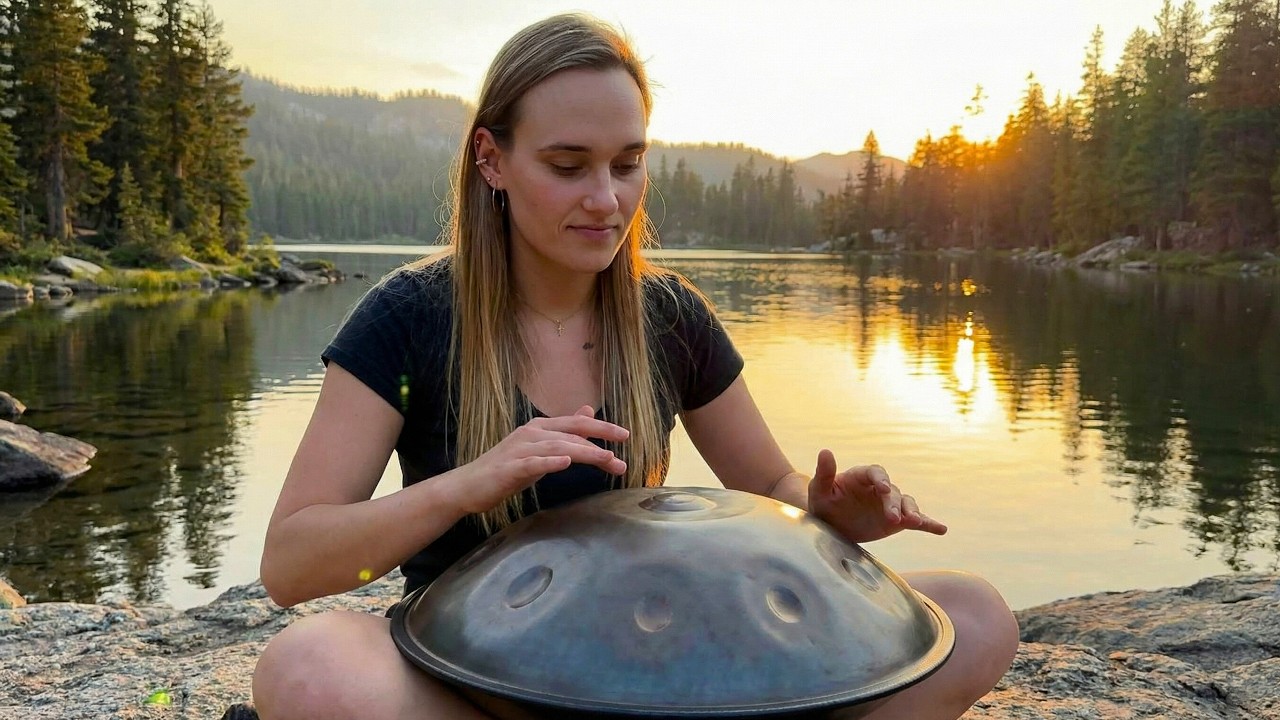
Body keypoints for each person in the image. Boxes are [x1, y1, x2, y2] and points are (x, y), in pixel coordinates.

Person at [250, 13, 1019, 720]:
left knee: (974, 618)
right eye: (568, 165)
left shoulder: (669, 315)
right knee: (308, 669)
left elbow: (770, 485)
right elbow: (292, 567)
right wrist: (469, 484)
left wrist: (828, 514)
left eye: (627, 164)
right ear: (491, 159)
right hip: (479, 687)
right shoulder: (408, 317)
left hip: (657, 679)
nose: (605, 199)